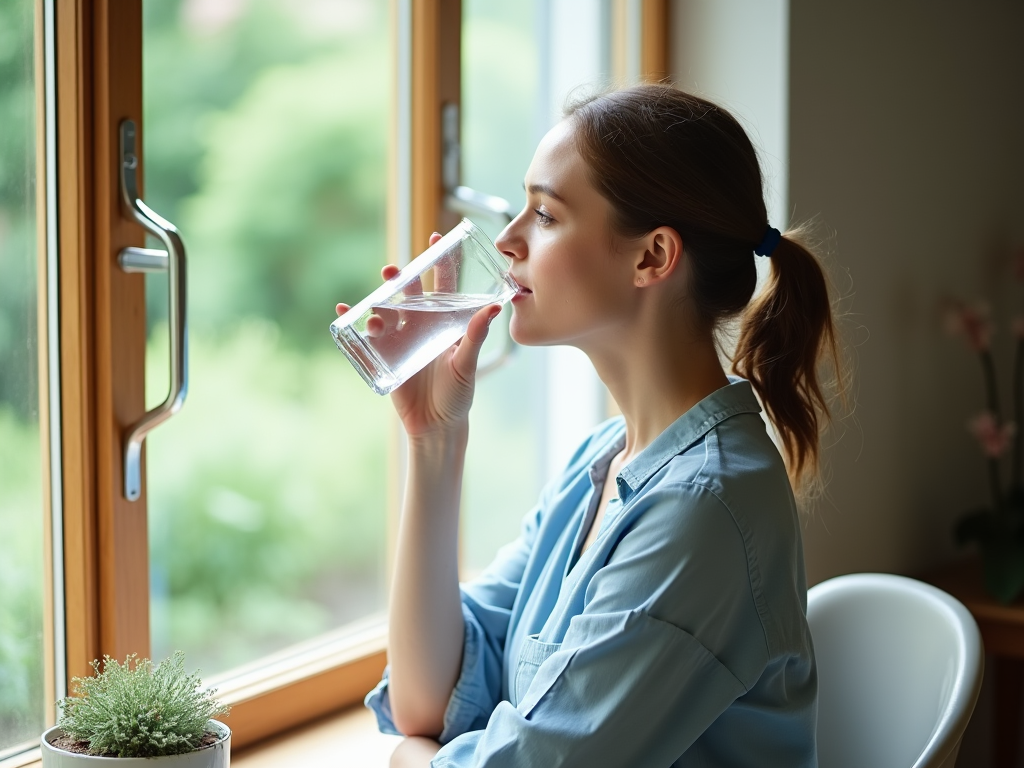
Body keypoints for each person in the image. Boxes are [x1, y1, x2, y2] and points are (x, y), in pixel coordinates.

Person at [337, 84, 843, 767]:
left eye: (544, 215)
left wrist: (410, 760)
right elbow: (424, 702)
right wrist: (435, 442)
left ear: (652, 258)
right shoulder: (602, 462)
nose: (508, 240)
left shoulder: (701, 511)